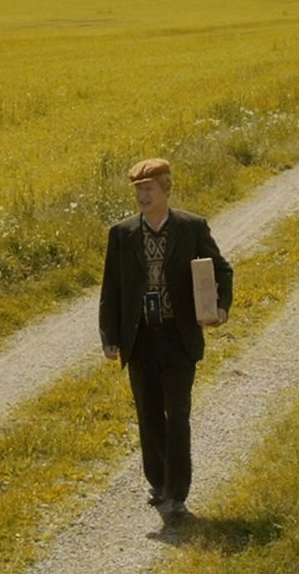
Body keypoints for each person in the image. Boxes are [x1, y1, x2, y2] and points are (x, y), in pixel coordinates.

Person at [99, 157, 233, 522]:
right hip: (140, 338)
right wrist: (109, 335)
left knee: (178, 415)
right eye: (139, 190)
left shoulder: (191, 227)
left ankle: (176, 494)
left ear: (166, 189)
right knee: (149, 415)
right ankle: (158, 482)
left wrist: (220, 308)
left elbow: (221, 270)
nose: (143, 196)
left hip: (178, 336)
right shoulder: (122, 233)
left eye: (149, 189)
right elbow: (112, 288)